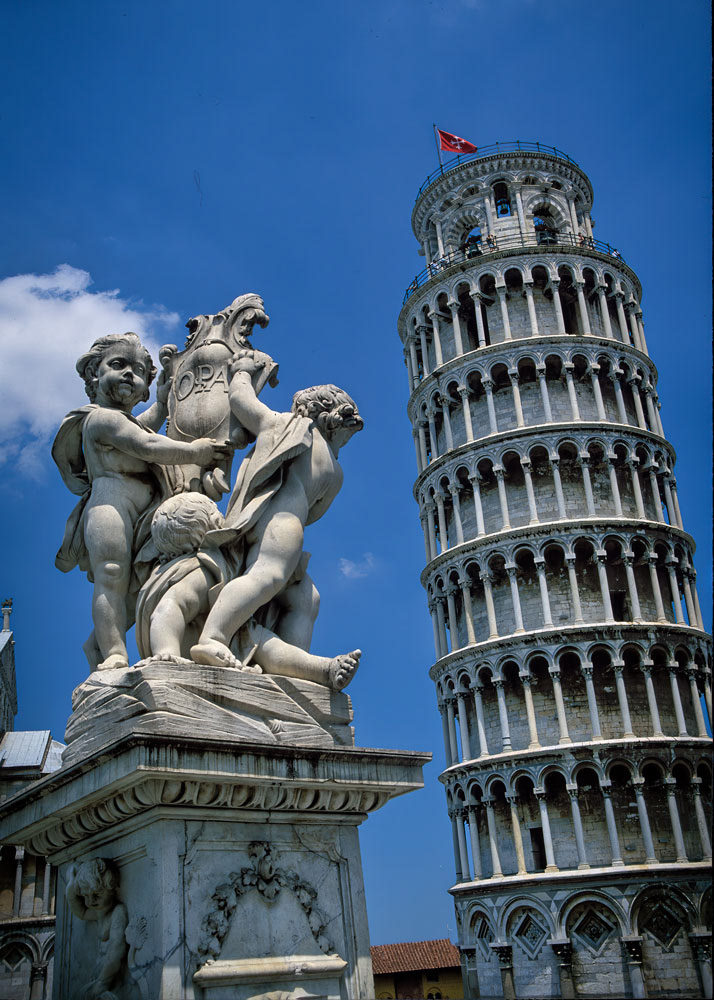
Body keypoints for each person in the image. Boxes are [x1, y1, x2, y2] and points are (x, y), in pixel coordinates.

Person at [52, 333, 231, 672]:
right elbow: (146, 446)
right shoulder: (100, 419)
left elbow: (142, 427)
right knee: (113, 576)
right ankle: (114, 653)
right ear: (94, 373)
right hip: (110, 510)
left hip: (144, 515)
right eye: (117, 365)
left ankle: (96, 645)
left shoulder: (123, 420)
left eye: (137, 370)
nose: (128, 375)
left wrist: (163, 404)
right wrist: (197, 451)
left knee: (137, 589)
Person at [189, 355, 364, 675]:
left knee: (305, 596)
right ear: (333, 420)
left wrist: (242, 371)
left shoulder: (283, 426)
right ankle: (213, 636)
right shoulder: (332, 467)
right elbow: (316, 512)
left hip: (262, 519)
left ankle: (291, 666)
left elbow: (242, 400)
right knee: (266, 577)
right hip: (285, 525)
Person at [134, 492, 360, 690]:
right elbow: (168, 608)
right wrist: (166, 653)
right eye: (216, 512)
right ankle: (323, 669)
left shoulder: (210, 566)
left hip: (229, 639)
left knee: (264, 642)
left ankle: (325, 670)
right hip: (191, 648)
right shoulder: (198, 572)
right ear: (212, 524)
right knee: (264, 643)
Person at [66, 859, 130, 999]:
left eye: (96, 895)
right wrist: (71, 886)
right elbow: (80, 912)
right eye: (85, 896)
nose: (90, 901)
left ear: (112, 888)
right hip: (99, 976)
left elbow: (116, 950)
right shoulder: (98, 912)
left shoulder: (118, 912)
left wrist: (102, 983)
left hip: (111, 979)